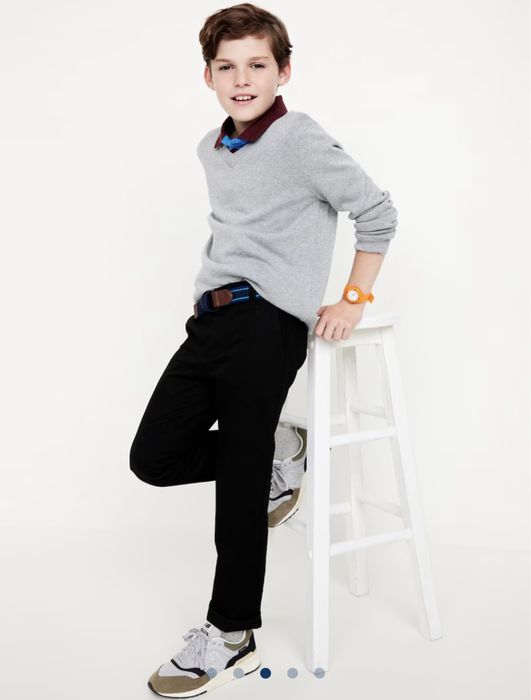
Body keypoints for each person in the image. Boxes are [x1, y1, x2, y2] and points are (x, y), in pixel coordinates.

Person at [129, 3, 398, 697]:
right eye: (227, 67)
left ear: (284, 71)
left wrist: (352, 299)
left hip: (267, 324)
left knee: (240, 485)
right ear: (208, 76)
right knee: (153, 457)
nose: (242, 79)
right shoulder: (211, 148)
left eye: (257, 65)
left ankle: (231, 631)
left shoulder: (298, 137)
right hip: (210, 322)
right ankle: (283, 445)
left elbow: (376, 212)